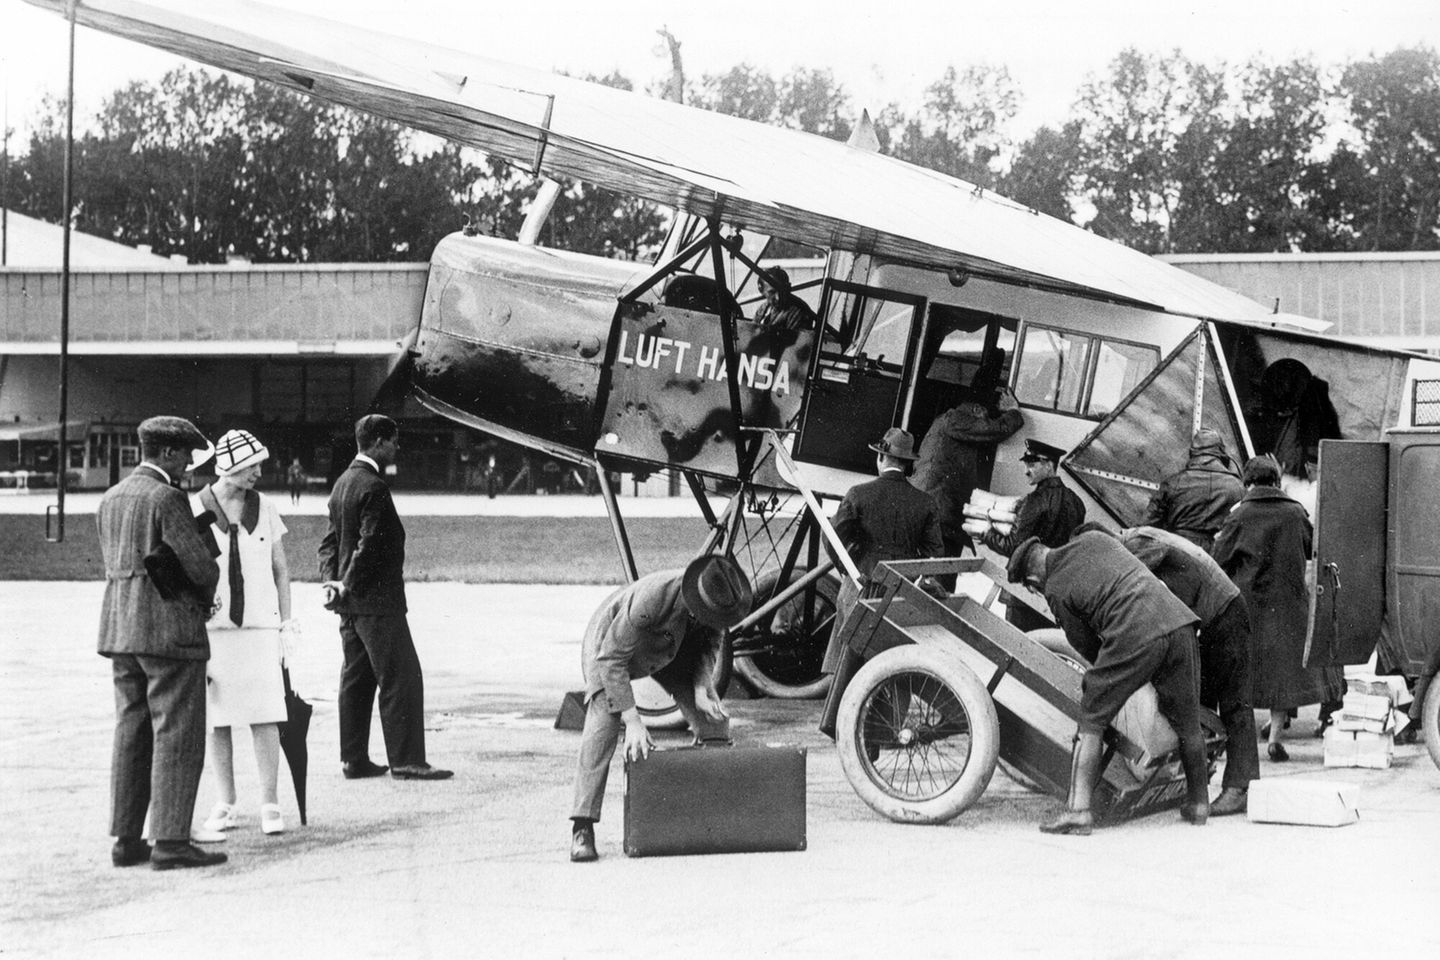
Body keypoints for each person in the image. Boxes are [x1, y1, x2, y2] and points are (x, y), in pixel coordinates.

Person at [1009, 531, 1210, 835]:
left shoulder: (1056, 589)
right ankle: (1199, 804)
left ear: (1033, 580)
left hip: (1137, 632)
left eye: (1032, 588)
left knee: (1092, 715)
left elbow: (1087, 647)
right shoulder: (1093, 539)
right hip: (1179, 621)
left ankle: (1078, 812)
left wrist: (1113, 679)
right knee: (1187, 721)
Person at [98, 415, 227, 870]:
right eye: (185, 455)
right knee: (177, 733)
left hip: (121, 628)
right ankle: (171, 841)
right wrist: (206, 590)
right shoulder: (168, 498)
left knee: (131, 732)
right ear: (168, 453)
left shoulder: (112, 497)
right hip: (170, 630)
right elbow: (201, 568)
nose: (188, 464)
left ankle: (126, 839)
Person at [569, 554, 753, 862]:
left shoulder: (721, 602)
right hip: (611, 654)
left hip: (672, 653)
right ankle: (582, 827)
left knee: (714, 722)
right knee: (603, 725)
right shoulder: (652, 598)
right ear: (696, 600)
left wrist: (700, 688)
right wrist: (633, 721)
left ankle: (708, 816)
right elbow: (612, 660)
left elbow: (710, 645)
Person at [318, 415, 452, 782]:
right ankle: (407, 760)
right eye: (393, 440)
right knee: (402, 677)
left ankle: (353, 759)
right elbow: (371, 544)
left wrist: (332, 583)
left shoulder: (343, 483)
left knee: (356, 679)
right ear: (378, 441)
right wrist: (347, 584)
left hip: (350, 606)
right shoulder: (373, 486)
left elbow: (329, 543)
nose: (397, 446)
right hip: (377, 602)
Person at [1103, 523, 1258, 815]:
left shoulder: (1136, 545)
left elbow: (1165, 594)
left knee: (1234, 702)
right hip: (1216, 611)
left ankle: (1240, 788)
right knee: (1200, 703)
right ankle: (1197, 786)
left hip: (1224, 612)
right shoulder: (1138, 538)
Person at [193, 430, 300, 837]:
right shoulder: (196, 508)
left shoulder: (266, 507)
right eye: (251, 465)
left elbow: (280, 569)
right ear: (230, 467)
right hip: (214, 631)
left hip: (258, 628)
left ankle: (270, 801)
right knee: (217, 719)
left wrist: (286, 622)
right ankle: (226, 800)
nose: (258, 472)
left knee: (265, 715)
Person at [1211, 455, 1343, 762]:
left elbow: (1219, 559)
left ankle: (1237, 741)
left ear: (1248, 482)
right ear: (1275, 480)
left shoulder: (1239, 515)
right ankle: (1274, 739)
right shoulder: (1295, 513)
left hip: (1249, 607)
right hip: (1288, 606)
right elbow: (1314, 548)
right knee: (1281, 675)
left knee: (1244, 675)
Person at [823, 427, 945, 670]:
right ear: (907, 464)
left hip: (861, 583)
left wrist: (846, 570)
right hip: (901, 590)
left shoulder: (858, 494)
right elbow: (935, 553)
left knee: (847, 666)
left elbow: (832, 538)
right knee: (891, 664)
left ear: (881, 457)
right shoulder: (925, 502)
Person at [911, 389, 1023, 570]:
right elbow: (994, 430)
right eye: (985, 416)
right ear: (977, 409)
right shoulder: (956, 419)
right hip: (939, 512)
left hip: (931, 509)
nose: (985, 420)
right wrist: (1013, 412)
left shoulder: (945, 420)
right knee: (940, 574)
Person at [1143, 427, 1244, 549]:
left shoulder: (1173, 483)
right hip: (1218, 554)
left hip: (1177, 551)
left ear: (1193, 453)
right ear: (1222, 453)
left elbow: (1146, 525)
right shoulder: (1237, 486)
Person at [981, 438, 1085, 556]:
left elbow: (1012, 547)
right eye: (1025, 465)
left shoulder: (1034, 501)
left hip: (1034, 567)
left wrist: (988, 534)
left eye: (1031, 465)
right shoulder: (1077, 501)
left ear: (1049, 466)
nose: (1026, 471)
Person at [753, 267, 817, 332]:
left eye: (781, 291)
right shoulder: (763, 308)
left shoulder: (798, 312)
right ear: (762, 291)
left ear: (788, 288)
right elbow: (752, 331)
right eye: (772, 292)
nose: (778, 297)